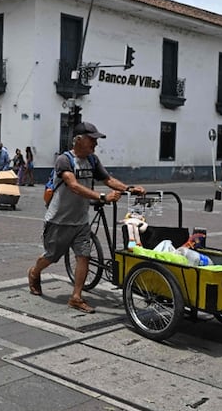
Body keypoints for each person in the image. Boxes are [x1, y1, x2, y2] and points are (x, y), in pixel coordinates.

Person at [26, 121, 143, 313]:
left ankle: (76, 297)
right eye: (92, 140)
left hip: (80, 221)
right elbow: (73, 185)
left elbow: (108, 180)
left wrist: (129, 189)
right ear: (78, 140)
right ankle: (34, 272)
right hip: (59, 220)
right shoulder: (64, 160)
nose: (95, 145)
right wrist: (102, 197)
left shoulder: (93, 160)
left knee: (84, 256)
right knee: (50, 257)